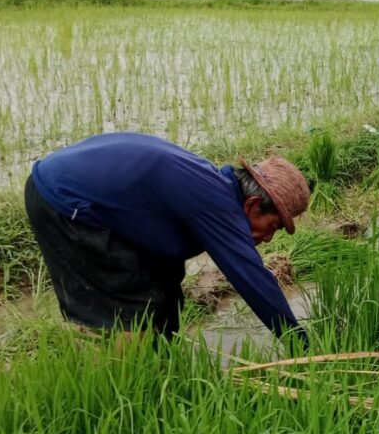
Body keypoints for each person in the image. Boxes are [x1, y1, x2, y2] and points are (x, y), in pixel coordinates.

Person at [24, 132, 311, 348]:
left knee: (163, 291)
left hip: (82, 195)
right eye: (272, 226)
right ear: (251, 205)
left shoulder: (212, 190)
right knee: (133, 305)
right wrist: (301, 346)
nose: (269, 238)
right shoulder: (217, 203)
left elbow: (166, 268)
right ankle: (130, 393)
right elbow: (253, 279)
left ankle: (162, 362)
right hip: (63, 201)